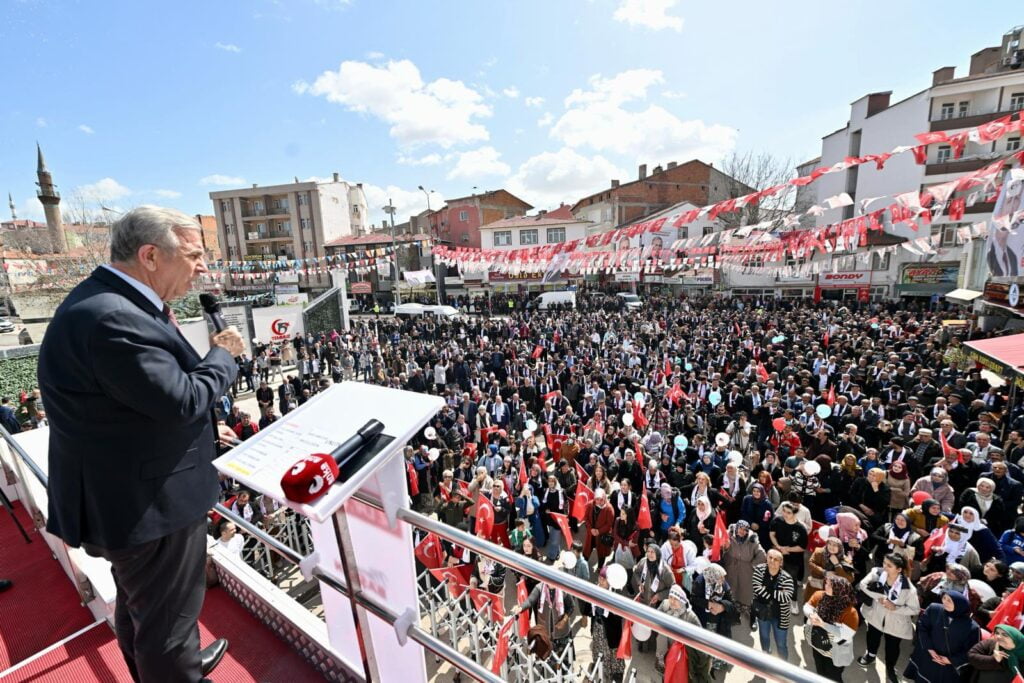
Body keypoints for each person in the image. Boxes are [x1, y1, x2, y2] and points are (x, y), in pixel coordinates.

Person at [38, 206, 242, 683]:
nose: (203, 268)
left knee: (142, 606)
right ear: (150, 255)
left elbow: (141, 401)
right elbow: (182, 398)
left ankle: (170, 665)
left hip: (132, 493)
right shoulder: (113, 317)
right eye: (193, 255)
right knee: (166, 622)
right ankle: (176, 669)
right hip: (146, 504)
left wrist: (208, 433)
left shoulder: (112, 303)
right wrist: (224, 355)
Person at [858, 553, 920, 683]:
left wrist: (895, 608)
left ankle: (890, 668)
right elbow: (862, 585)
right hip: (876, 615)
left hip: (895, 623)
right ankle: (870, 655)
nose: (884, 567)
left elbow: (915, 609)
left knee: (892, 647)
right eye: (884, 563)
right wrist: (878, 597)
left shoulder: (908, 588)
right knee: (872, 637)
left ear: (899, 569)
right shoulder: (877, 573)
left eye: (889, 566)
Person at [904, 590, 980, 683]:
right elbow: (922, 627)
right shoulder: (934, 609)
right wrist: (929, 648)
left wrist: (951, 661)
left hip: (946, 668)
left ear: (959, 605)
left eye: (950, 600)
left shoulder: (972, 628)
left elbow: (971, 652)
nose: (945, 602)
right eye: (944, 598)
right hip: (927, 657)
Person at [803, 575, 859, 682]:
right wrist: (811, 615)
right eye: (826, 583)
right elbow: (807, 607)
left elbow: (845, 634)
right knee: (820, 672)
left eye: (830, 585)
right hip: (818, 645)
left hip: (835, 652)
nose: (826, 586)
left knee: (833, 677)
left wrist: (823, 624)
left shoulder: (850, 612)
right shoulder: (819, 595)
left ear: (840, 590)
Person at [721, 519, 766, 630]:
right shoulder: (728, 535)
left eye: (745, 530)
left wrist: (752, 565)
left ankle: (751, 616)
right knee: (732, 590)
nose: (742, 532)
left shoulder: (753, 540)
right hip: (731, 568)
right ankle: (734, 613)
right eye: (740, 529)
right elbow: (720, 548)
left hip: (746, 570)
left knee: (747, 593)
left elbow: (762, 556)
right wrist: (725, 549)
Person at [751, 549, 796, 661]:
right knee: (764, 637)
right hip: (763, 613)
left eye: (776, 559)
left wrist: (766, 590)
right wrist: (777, 593)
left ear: (781, 562)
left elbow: (786, 597)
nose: (772, 561)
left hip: (780, 617)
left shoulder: (787, 578)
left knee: (781, 644)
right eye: (770, 557)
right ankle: (766, 658)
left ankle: (783, 665)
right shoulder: (759, 570)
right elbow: (756, 588)